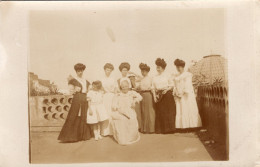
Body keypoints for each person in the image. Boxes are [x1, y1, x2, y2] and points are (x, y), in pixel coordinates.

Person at [58, 63, 92, 142]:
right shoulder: (73, 81)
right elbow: (70, 91)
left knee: (84, 116)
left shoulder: (86, 80)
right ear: (76, 71)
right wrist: (75, 90)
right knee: (75, 115)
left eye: (81, 71)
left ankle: (83, 136)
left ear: (83, 71)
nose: (80, 72)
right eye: (78, 71)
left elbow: (89, 90)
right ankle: (71, 136)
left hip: (84, 99)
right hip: (77, 99)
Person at [110, 80, 142, 145]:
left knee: (132, 119)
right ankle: (123, 138)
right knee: (122, 120)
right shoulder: (118, 95)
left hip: (130, 111)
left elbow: (140, 97)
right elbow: (113, 105)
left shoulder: (131, 93)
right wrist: (118, 108)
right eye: (123, 87)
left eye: (126, 86)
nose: (124, 88)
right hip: (120, 112)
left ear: (128, 86)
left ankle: (131, 138)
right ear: (121, 87)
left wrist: (134, 101)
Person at [173, 59, 202, 129]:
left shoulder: (187, 75)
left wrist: (182, 93)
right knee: (181, 109)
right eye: (177, 67)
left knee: (187, 107)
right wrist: (176, 92)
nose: (178, 69)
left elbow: (187, 85)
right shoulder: (176, 76)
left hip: (186, 95)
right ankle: (183, 126)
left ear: (183, 67)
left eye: (179, 67)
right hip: (179, 94)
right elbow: (175, 85)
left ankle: (191, 125)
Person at [152, 58, 176, 134]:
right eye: (157, 67)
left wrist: (166, 90)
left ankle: (169, 129)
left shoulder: (167, 75)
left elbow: (172, 85)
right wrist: (154, 96)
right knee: (160, 112)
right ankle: (161, 129)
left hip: (167, 94)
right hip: (159, 95)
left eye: (159, 67)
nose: (157, 69)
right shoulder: (155, 77)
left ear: (163, 68)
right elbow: (152, 87)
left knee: (168, 112)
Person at [137, 63, 155, 133]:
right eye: (142, 71)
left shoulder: (150, 78)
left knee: (149, 111)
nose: (143, 72)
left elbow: (152, 87)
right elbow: (139, 87)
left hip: (148, 94)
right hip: (142, 95)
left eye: (144, 71)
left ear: (147, 71)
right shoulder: (141, 79)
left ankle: (151, 129)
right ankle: (144, 129)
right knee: (143, 111)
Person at [100, 63, 118, 136]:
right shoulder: (102, 79)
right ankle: (105, 131)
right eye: (107, 70)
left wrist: (116, 96)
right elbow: (100, 88)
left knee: (112, 112)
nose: (109, 71)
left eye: (110, 70)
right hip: (105, 97)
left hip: (112, 96)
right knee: (105, 113)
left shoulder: (113, 79)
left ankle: (112, 131)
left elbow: (116, 88)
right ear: (104, 70)